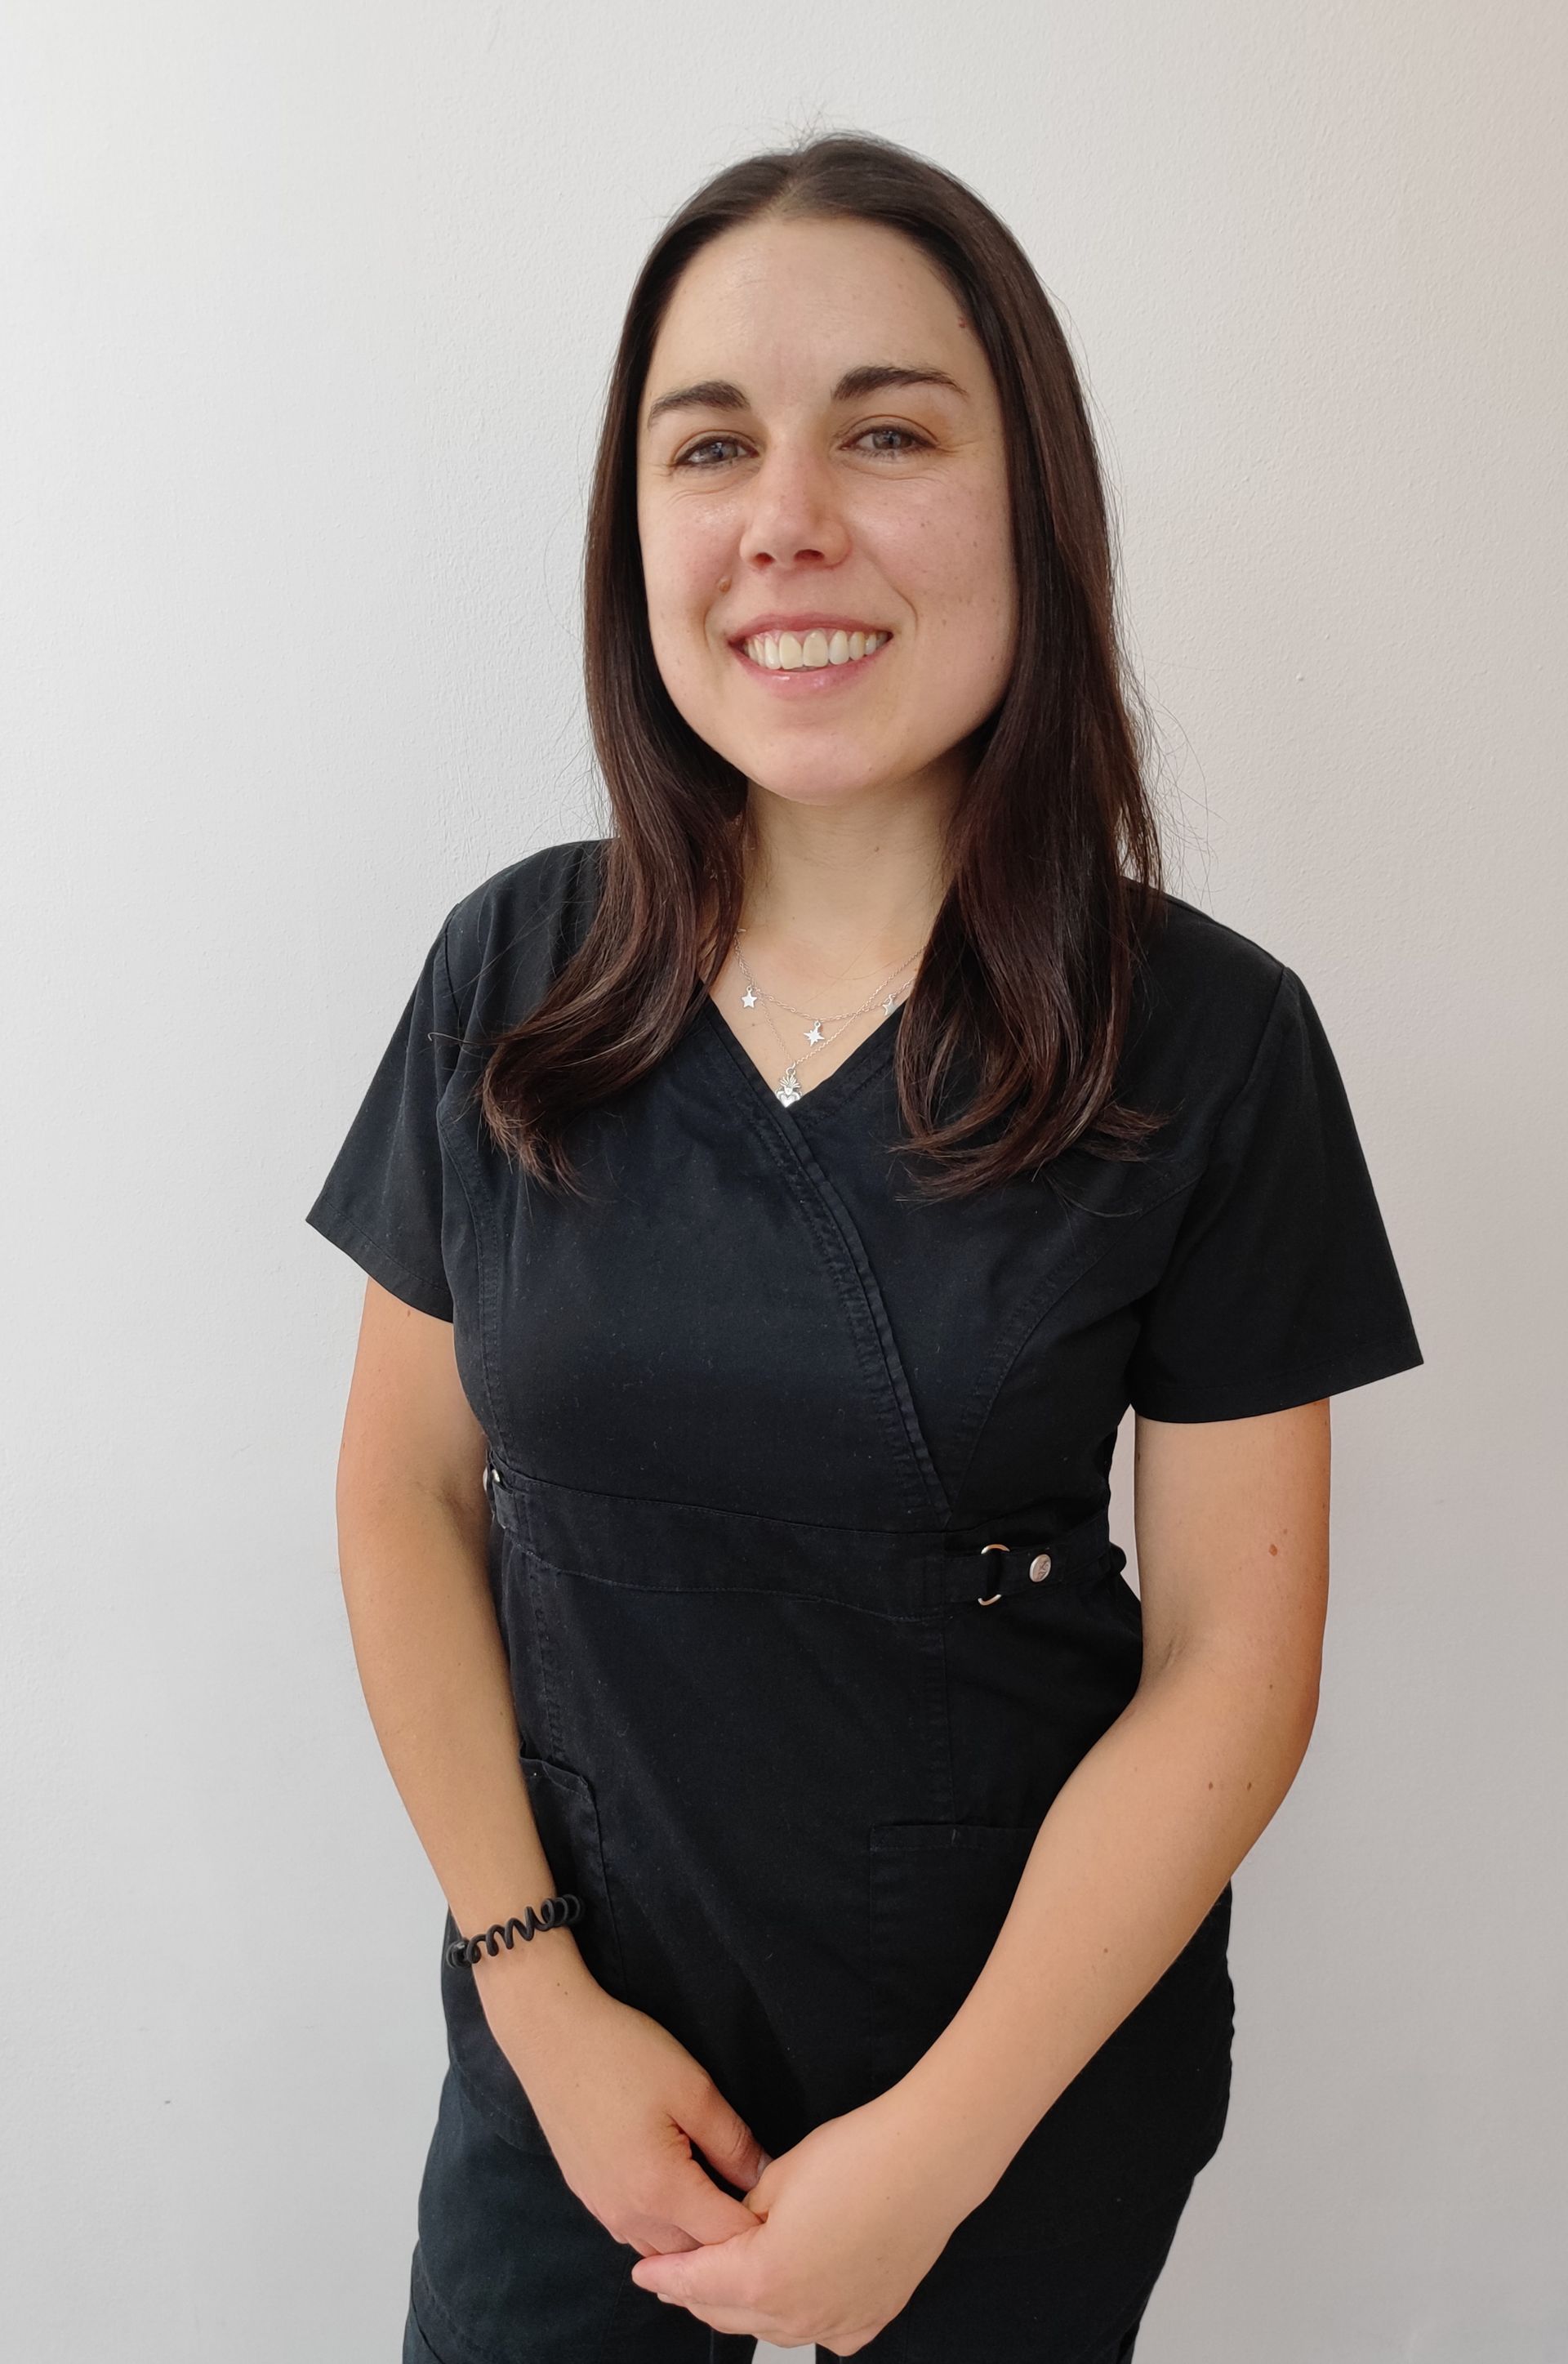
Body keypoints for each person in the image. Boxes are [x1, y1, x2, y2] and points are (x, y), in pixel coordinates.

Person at [305, 132, 1423, 2363]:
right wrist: (541, 2007)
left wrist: (939, 2154)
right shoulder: (512, 972)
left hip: (1020, 2066)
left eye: (888, 431)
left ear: (1034, 510)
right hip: (587, 2045)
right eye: (709, 444)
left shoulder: (1211, 1040)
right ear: (639, 532)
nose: (786, 515)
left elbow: (1236, 1665)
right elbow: (403, 1498)